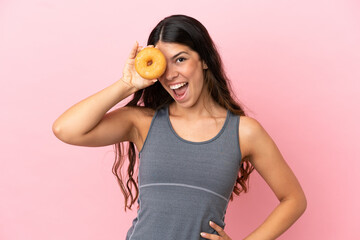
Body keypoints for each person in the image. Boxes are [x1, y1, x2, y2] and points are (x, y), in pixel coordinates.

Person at [52, 14, 307, 240]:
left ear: (205, 60)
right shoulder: (143, 123)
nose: (170, 74)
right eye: (164, 63)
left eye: (181, 59)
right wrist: (127, 84)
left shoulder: (244, 132)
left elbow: (294, 200)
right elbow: (66, 129)